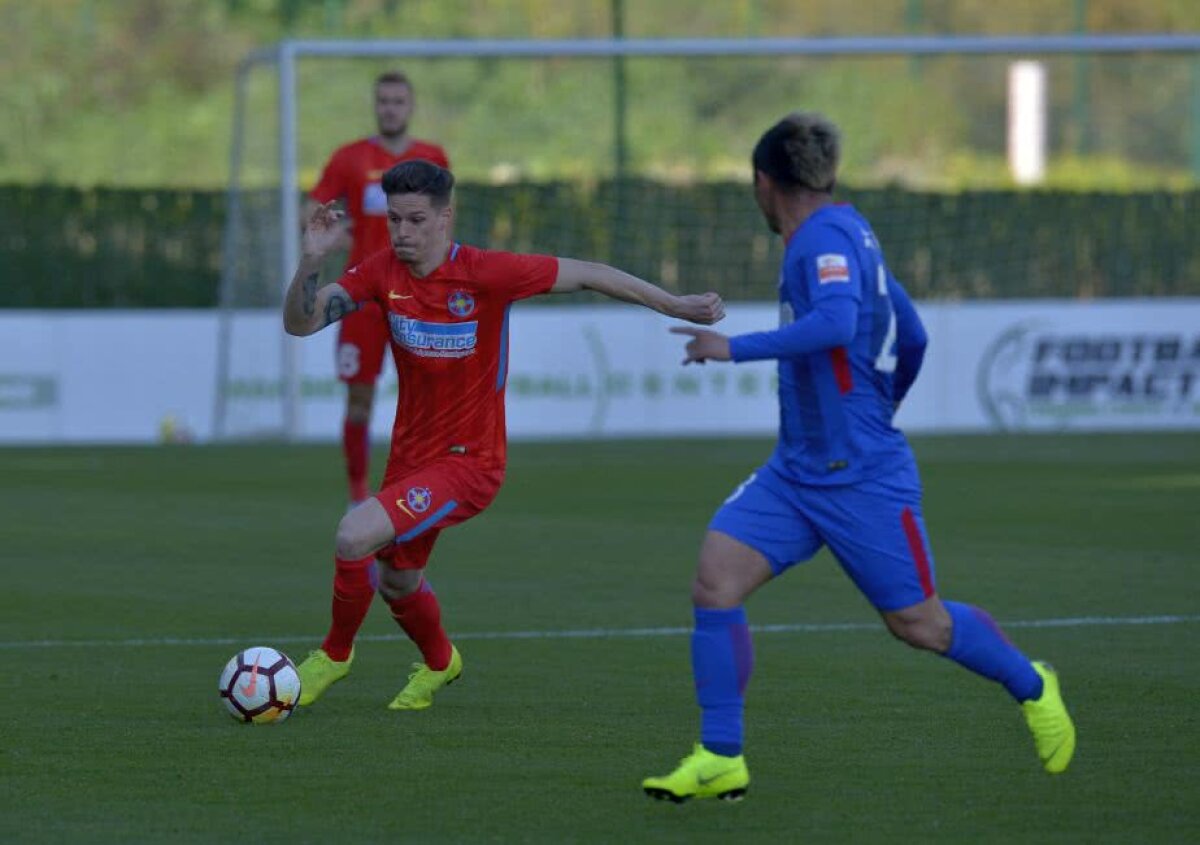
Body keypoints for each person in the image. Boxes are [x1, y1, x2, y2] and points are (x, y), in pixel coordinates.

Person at [642, 112, 1076, 803]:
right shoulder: (848, 230)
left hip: (862, 478)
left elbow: (841, 323)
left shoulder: (822, 241)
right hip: (795, 471)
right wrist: (882, 402)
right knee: (715, 582)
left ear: (764, 182)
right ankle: (721, 754)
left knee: (920, 625)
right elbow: (916, 335)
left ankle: (1032, 683)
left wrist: (733, 347)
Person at [284, 159, 724, 711]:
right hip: (410, 460)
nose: (403, 233)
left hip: (470, 463)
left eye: (417, 220)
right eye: (395, 220)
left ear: (447, 217)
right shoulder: (380, 272)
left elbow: (589, 271)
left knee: (353, 536)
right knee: (398, 582)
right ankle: (442, 664)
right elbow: (300, 323)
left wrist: (675, 303)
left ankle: (335, 655)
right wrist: (313, 257)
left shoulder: (488, 273)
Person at [307, 70, 451, 507]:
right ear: (376, 105)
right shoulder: (350, 158)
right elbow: (312, 209)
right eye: (383, 100)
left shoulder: (431, 157)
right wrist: (330, 226)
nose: (390, 108)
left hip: (420, 298)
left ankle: (426, 484)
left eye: (398, 101)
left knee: (429, 400)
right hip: (365, 299)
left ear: (410, 106)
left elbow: (446, 221)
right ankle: (357, 497)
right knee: (360, 399)